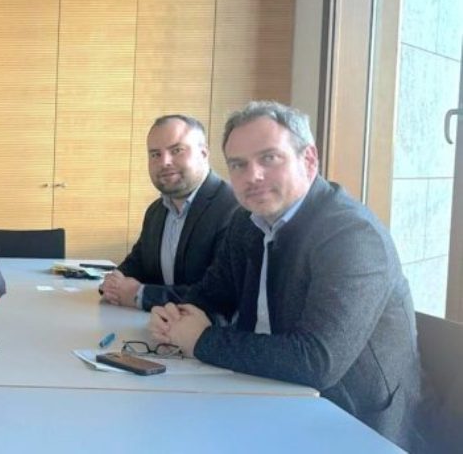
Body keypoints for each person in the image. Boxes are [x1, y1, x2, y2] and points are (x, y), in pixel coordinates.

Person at [148, 101, 419, 449]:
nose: (253, 176)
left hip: (347, 424)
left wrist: (200, 339)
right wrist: (174, 316)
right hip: (261, 395)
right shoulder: (246, 222)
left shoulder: (352, 235)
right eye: (238, 165)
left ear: (309, 160)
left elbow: (316, 362)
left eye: (269, 158)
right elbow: (211, 294)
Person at [100, 115, 238, 310]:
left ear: (203, 153)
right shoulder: (156, 211)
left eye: (177, 150)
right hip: (156, 323)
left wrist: (141, 295)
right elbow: (137, 263)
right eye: (155, 154)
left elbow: (219, 293)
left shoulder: (233, 208)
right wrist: (115, 281)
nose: (164, 162)